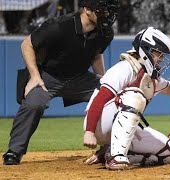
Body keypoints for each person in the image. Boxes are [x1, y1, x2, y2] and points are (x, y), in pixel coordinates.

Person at [2, 0, 120, 165]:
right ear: (86, 9)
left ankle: (110, 148)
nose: (107, 14)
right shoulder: (59, 26)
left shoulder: (105, 32)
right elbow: (26, 45)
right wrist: (35, 76)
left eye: (109, 10)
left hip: (79, 78)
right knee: (35, 103)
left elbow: (95, 55)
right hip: (47, 76)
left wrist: (106, 82)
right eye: (102, 9)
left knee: (114, 96)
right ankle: (14, 151)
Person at [82, 27, 170, 170]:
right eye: (159, 53)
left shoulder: (151, 78)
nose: (162, 59)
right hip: (98, 124)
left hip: (115, 126)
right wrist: (89, 132)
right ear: (146, 50)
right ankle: (115, 157)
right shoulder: (125, 68)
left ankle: (108, 152)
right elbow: (100, 98)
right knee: (134, 96)